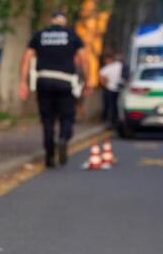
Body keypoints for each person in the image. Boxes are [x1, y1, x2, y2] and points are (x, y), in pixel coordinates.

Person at [19, 11, 88, 168]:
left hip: (44, 81)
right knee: (67, 116)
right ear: (64, 22)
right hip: (65, 82)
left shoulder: (40, 35)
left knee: (47, 120)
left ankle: (49, 155)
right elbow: (84, 59)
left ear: (51, 21)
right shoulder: (72, 35)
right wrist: (88, 80)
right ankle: (63, 138)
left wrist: (23, 82)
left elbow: (26, 58)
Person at [99, 53, 123, 128]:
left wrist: (105, 85)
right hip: (113, 89)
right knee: (112, 106)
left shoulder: (113, 66)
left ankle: (113, 121)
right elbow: (101, 77)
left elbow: (101, 77)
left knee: (112, 106)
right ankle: (112, 121)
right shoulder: (111, 67)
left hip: (113, 89)